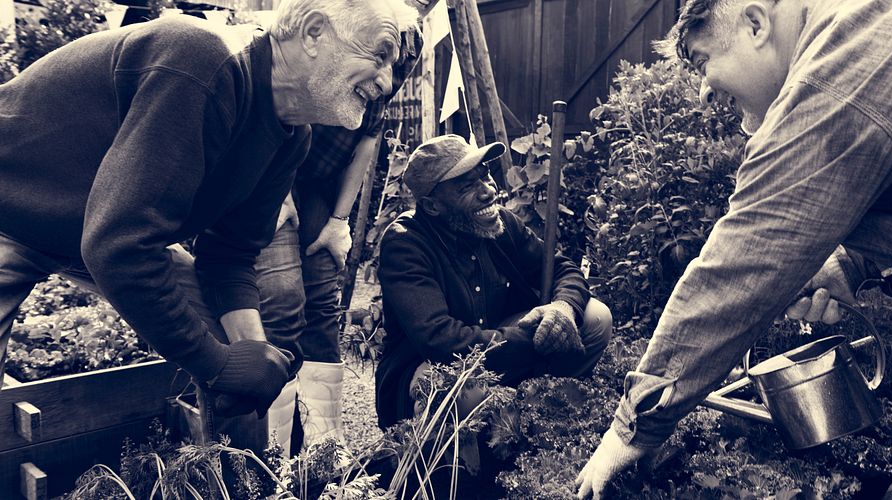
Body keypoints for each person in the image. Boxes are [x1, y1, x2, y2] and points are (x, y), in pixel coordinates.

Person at [574, 0, 892, 498]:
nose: (703, 90)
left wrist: (630, 427)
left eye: (702, 60)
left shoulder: (837, 69)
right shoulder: (872, 29)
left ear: (755, 24)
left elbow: (743, 258)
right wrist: (847, 265)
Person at [0, 0, 413, 452]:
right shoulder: (201, 63)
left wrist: (254, 359)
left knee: (230, 333)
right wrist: (216, 364)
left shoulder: (292, 136)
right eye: (379, 54)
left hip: (89, 230)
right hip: (11, 210)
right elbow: (118, 248)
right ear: (314, 33)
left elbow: (229, 256)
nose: (387, 80)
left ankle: (236, 469)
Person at [259, 18, 423, 453]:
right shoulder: (340, 19)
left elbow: (369, 134)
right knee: (279, 297)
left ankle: (323, 447)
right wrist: (275, 190)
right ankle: (271, 454)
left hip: (321, 181)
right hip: (272, 161)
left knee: (320, 293)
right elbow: (280, 102)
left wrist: (339, 220)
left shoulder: (409, 40)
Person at [374, 134, 614, 430]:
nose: (488, 191)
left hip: (500, 353)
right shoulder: (405, 244)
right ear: (432, 206)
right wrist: (535, 340)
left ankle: (539, 416)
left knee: (595, 317)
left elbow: (562, 268)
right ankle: (462, 461)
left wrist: (563, 309)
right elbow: (441, 340)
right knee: (467, 391)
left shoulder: (500, 223)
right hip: (434, 365)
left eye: (485, 175)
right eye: (467, 186)